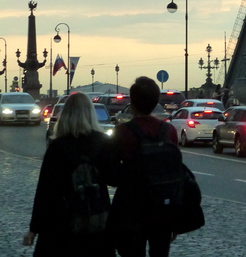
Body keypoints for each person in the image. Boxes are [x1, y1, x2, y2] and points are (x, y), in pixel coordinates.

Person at [23, 92, 114, 256]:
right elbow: (114, 178)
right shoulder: (103, 143)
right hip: (96, 221)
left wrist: (34, 228)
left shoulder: (58, 147)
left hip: (62, 224)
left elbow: (45, 191)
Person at [108, 76, 179, 257]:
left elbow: (112, 175)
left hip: (131, 208)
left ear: (132, 102)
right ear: (156, 102)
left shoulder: (123, 132)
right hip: (162, 207)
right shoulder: (168, 131)